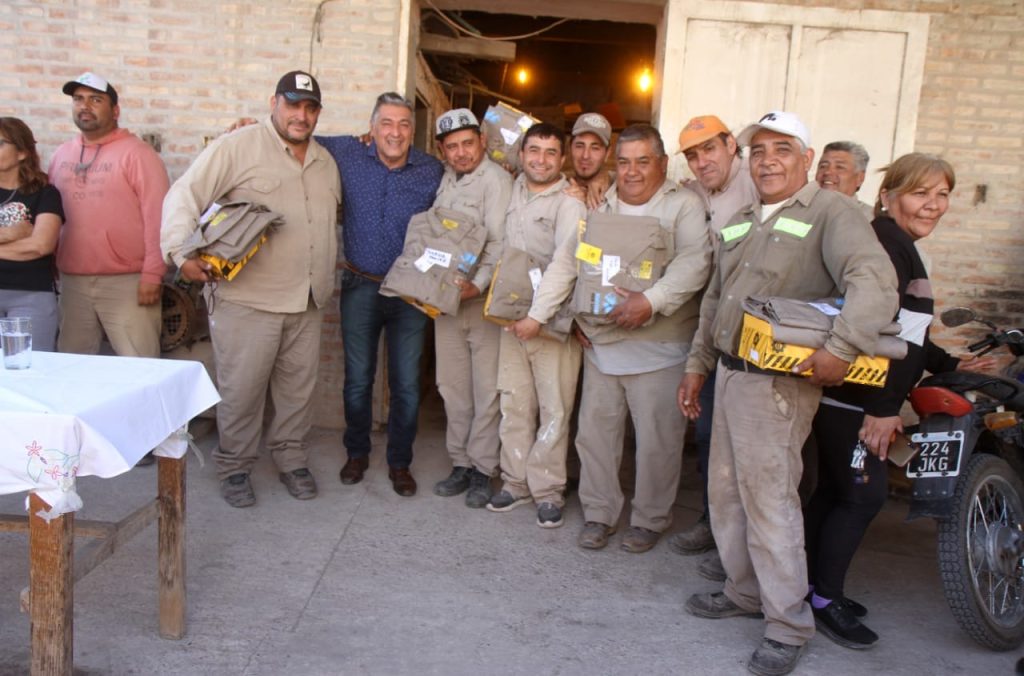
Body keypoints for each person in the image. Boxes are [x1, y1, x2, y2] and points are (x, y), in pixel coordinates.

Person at [678, 111, 898, 676]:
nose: (767, 159)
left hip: (777, 383)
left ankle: (788, 623)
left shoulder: (833, 212)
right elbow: (715, 298)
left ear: (806, 158)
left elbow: (874, 283)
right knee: (726, 494)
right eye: (758, 150)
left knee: (771, 501)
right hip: (730, 372)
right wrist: (699, 365)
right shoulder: (746, 216)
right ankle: (744, 592)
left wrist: (843, 348)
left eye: (781, 149)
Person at [803, 153, 993, 648]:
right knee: (863, 496)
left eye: (942, 194)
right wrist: (884, 408)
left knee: (834, 492)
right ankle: (823, 599)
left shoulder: (898, 242)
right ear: (889, 197)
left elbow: (908, 334)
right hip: (857, 398)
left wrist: (952, 366)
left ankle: (805, 587)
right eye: (920, 193)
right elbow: (876, 332)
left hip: (852, 397)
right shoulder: (889, 244)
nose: (932, 205)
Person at [526, 124, 710, 553]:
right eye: (624, 162)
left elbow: (695, 263)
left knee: (657, 445)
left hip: (660, 348)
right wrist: (540, 316)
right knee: (594, 436)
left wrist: (651, 300)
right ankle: (598, 513)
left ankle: (649, 520)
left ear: (662, 164)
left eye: (643, 161)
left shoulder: (683, 206)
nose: (631, 172)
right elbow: (567, 264)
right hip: (602, 347)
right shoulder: (600, 206)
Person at [161, 71, 341, 507]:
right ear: (273, 103)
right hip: (248, 299)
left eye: (310, 107)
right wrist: (180, 253)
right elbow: (185, 194)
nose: (301, 115)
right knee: (242, 390)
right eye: (293, 104)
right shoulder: (237, 146)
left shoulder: (324, 161)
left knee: (298, 391)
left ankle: (291, 459)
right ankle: (235, 467)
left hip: (308, 299)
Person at [318, 93, 444, 497]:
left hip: (411, 293)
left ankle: (399, 462)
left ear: (413, 130)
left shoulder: (432, 170)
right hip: (361, 283)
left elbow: (472, 186)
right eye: (387, 123)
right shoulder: (348, 154)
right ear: (372, 128)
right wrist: (247, 129)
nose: (395, 132)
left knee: (406, 383)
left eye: (404, 124)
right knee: (358, 379)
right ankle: (356, 453)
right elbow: (294, 137)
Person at [668, 115, 759, 577]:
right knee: (708, 437)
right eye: (693, 154)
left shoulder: (758, 189)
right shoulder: (695, 192)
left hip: (756, 343)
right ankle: (712, 523)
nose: (703, 161)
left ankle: (744, 545)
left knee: (749, 447)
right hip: (710, 331)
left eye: (710, 149)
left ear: (731, 146)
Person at [489, 122, 586, 527]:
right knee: (514, 403)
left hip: (550, 323)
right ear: (521, 154)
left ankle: (547, 489)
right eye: (533, 150)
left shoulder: (570, 204)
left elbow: (566, 264)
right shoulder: (513, 190)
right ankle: (515, 482)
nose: (540, 159)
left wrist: (536, 318)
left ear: (561, 159)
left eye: (550, 152)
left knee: (553, 410)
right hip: (510, 321)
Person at [49, 72, 168, 359]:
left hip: (128, 281)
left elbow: (159, 218)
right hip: (72, 281)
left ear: (115, 110)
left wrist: (153, 274)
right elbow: (50, 217)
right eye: (78, 99)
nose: (84, 106)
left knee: (140, 367)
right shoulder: (61, 155)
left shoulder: (138, 154)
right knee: (72, 368)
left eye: (95, 99)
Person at [428, 108, 513, 508]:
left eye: (467, 143)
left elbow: (498, 245)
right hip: (445, 303)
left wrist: (475, 286)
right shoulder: (446, 179)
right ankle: (460, 462)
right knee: (452, 387)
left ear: (481, 140)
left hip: (482, 303)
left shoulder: (495, 181)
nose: (461, 153)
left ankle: (482, 468)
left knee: (486, 390)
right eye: (452, 147)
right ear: (443, 151)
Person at [0, 117, 64, 350]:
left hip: (31, 296)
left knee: (30, 368)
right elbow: (30, 243)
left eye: (0, 143)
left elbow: (41, 246)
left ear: (22, 153)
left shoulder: (46, 193)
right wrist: (13, 234)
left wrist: (29, 239)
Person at [815, 141, 874, 218]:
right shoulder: (800, 211)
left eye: (839, 167)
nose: (827, 172)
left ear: (860, 178)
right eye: (823, 166)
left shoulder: (871, 220)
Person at [567, 112, 613, 208]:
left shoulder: (618, 190)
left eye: (595, 148)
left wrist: (607, 177)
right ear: (570, 148)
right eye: (579, 146)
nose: (585, 155)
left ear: (608, 153)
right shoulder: (557, 188)